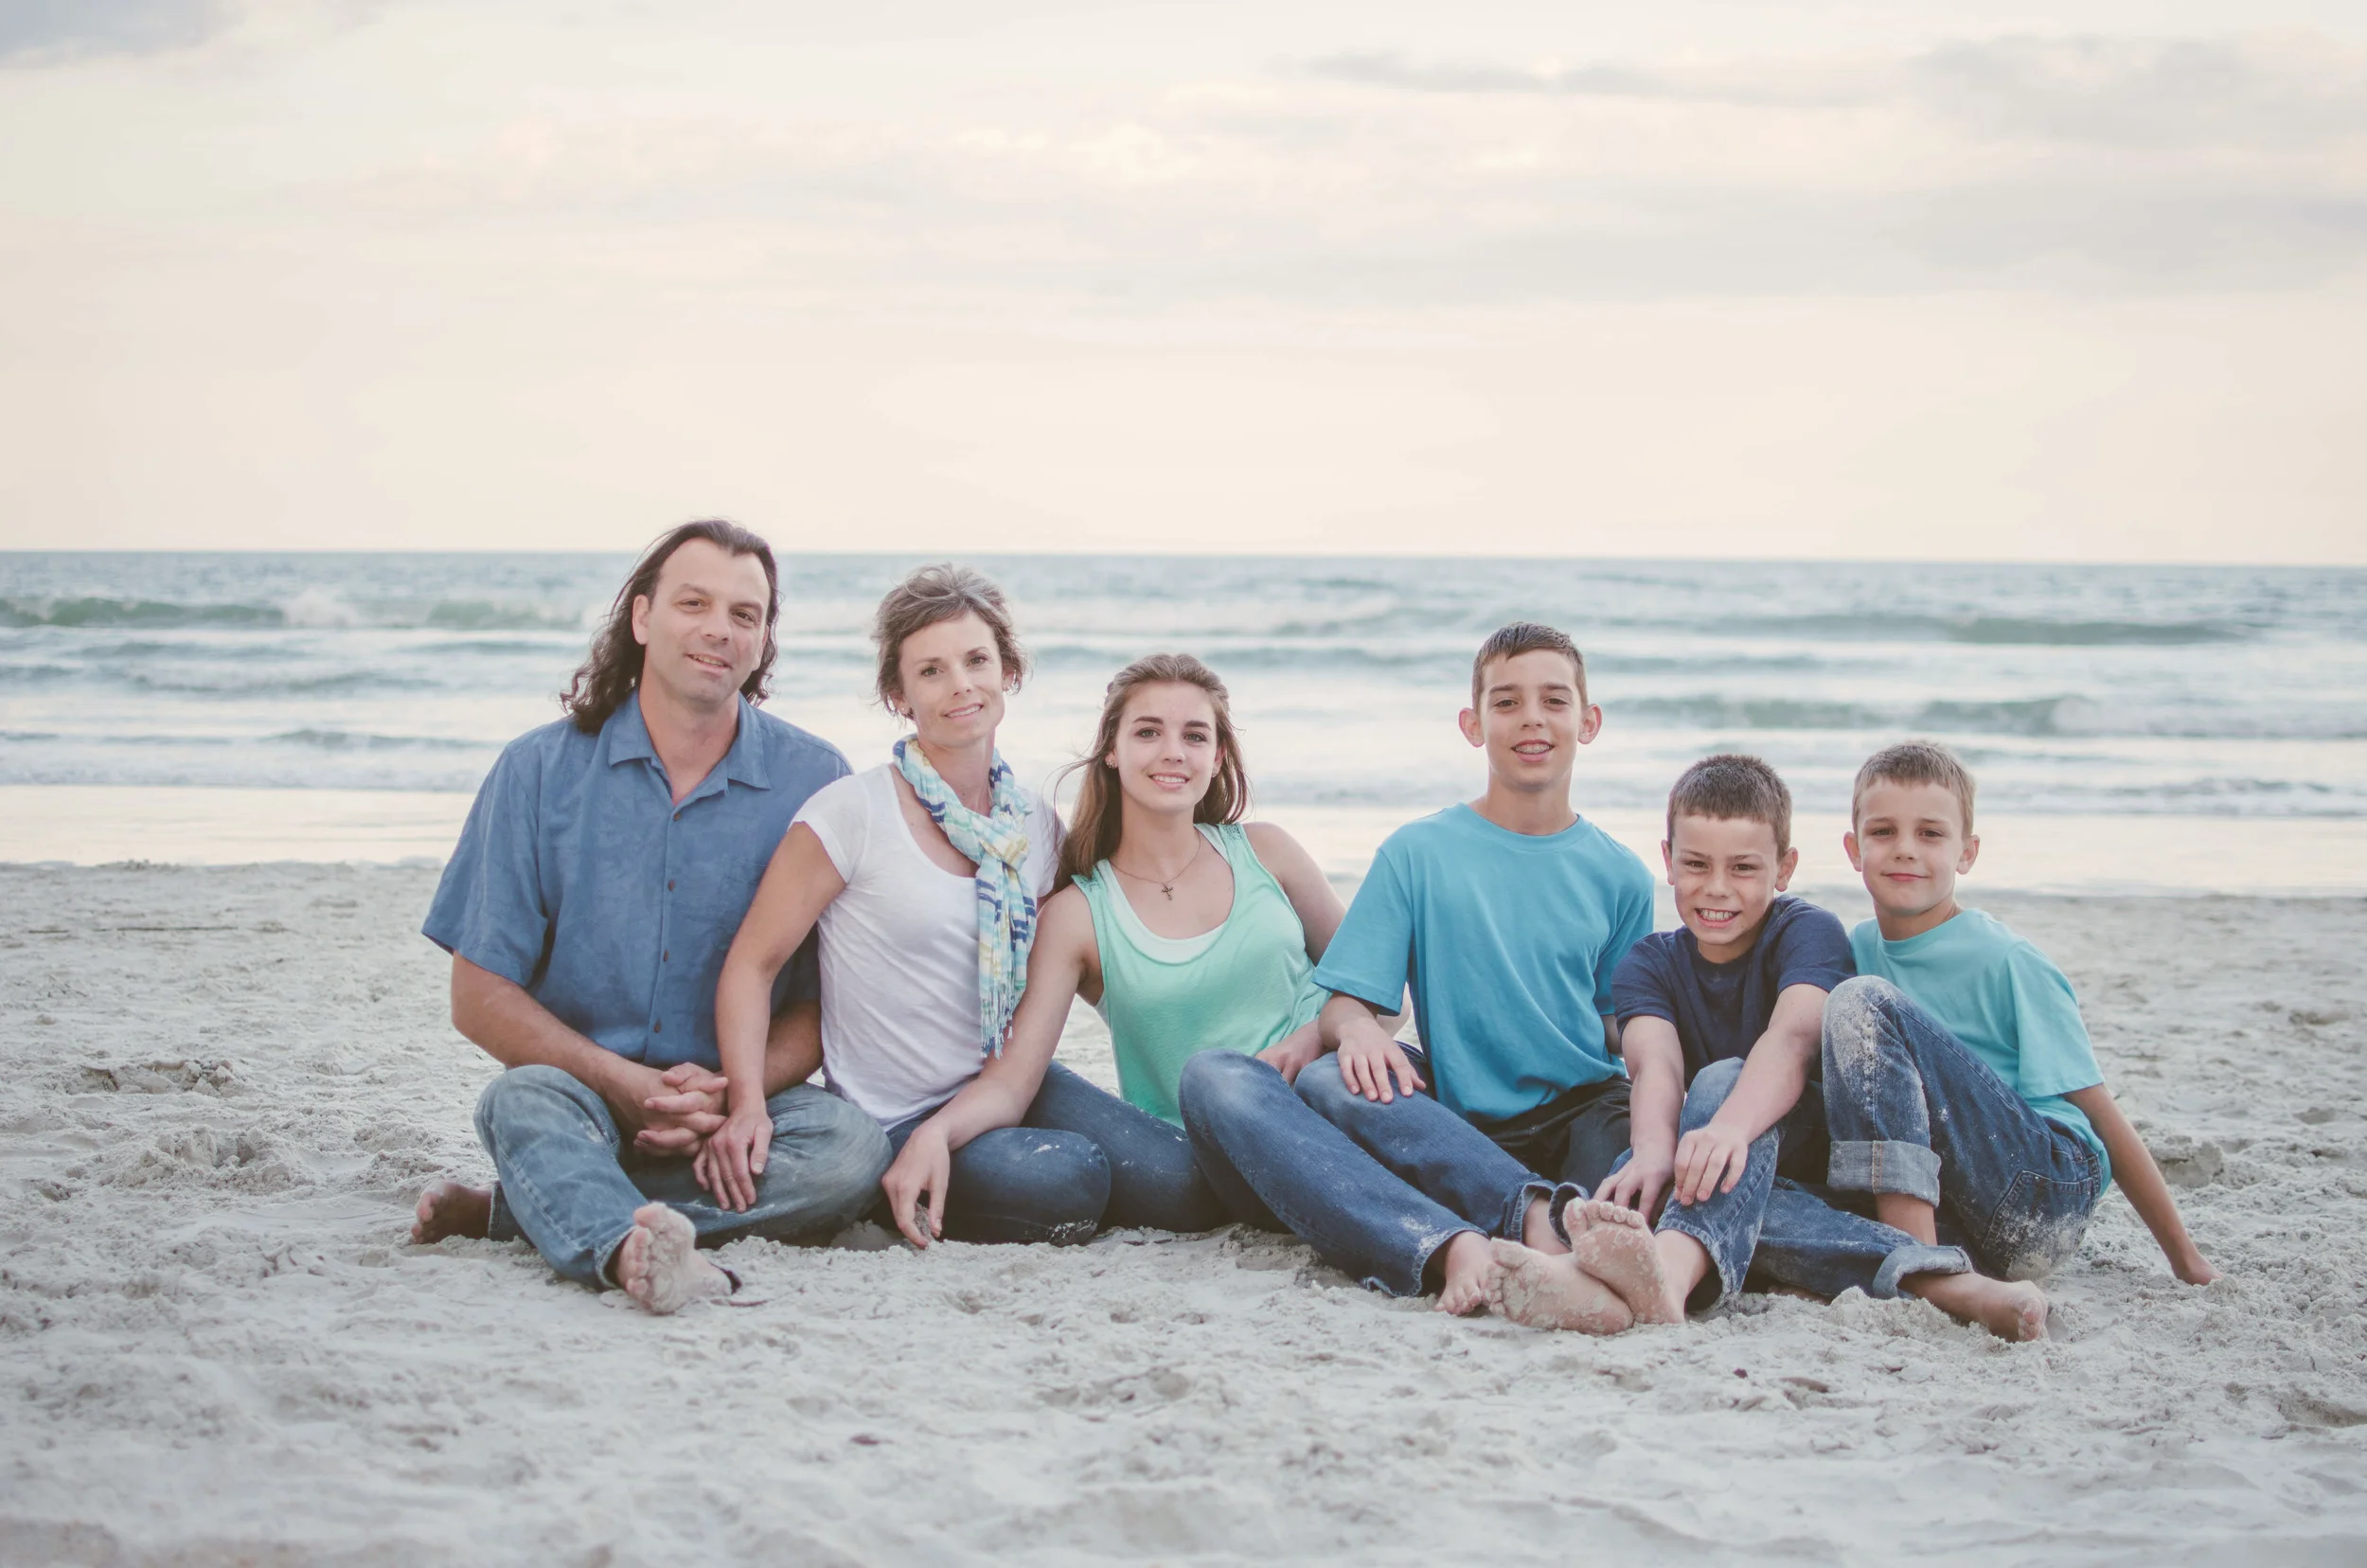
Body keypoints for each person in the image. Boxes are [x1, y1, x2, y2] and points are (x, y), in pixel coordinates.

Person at [408, 521, 889, 1315]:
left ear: (765, 640)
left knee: (851, 1151)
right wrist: (622, 1084)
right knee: (517, 1103)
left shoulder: (817, 779)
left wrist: (734, 1095)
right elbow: (479, 994)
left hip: (733, 1103)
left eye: (745, 614)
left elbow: (819, 1003)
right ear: (640, 618)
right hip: (582, 1097)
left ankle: (526, 1210)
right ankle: (624, 1241)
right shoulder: (537, 771)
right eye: (693, 603)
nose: (719, 630)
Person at [1181, 622, 1653, 1320]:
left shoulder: (1623, 875)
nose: (1532, 719)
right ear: (1472, 724)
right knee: (1328, 1077)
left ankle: (1557, 1238)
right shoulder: (1417, 853)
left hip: (1585, 1110)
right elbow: (1347, 1004)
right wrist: (1357, 1031)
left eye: (1554, 701)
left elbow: (1625, 1027)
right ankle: (1527, 1222)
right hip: (1460, 1119)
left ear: (1588, 721)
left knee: (1629, 1156)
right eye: (1506, 702)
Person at [1488, 755, 2023, 1338]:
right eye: (1696, 864)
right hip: (1739, 1176)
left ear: (1784, 867)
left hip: (1818, 1150)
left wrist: (1727, 1129)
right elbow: (1654, 1065)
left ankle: (1665, 1271)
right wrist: (1650, 1150)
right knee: (1652, 1172)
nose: (1717, 888)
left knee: (1719, 1085)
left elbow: (1791, 1040)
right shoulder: (1648, 963)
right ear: (1668, 862)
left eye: (1744, 868)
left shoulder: (1807, 931)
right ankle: (1946, 1286)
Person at [873, 652, 1346, 1246]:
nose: (1173, 751)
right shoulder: (1077, 913)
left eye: (1194, 735)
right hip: (1195, 1165)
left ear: (1217, 756)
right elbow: (1014, 1082)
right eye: (1148, 731)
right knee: (1077, 1111)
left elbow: (1379, 993)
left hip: (1329, 1118)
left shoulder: (1268, 852)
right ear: (1113, 750)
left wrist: (1311, 1037)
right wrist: (935, 1134)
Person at [712, 563, 1112, 1246]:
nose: (960, 684)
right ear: (899, 695)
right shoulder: (850, 815)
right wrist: (746, 1103)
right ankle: (879, 1187)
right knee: (1069, 1180)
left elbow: (1087, 970)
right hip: (893, 1116)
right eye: (931, 671)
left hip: (1004, 1086)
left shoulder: (1035, 828)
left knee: (1171, 1177)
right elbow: (754, 962)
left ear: (1007, 672)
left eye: (977, 660)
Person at [1819, 740, 2216, 1336]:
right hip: (1960, 1212)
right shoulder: (1856, 949)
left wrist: (2186, 1261)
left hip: (2043, 1187)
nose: (1905, 849)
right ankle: (1926, 1265)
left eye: (1930, 833)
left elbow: (2102, 1116)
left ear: (1967, 853)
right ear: (1854, 849)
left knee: (1859, 1001)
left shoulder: (2007, 960)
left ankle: (1923, 1273)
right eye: (1883, 831)